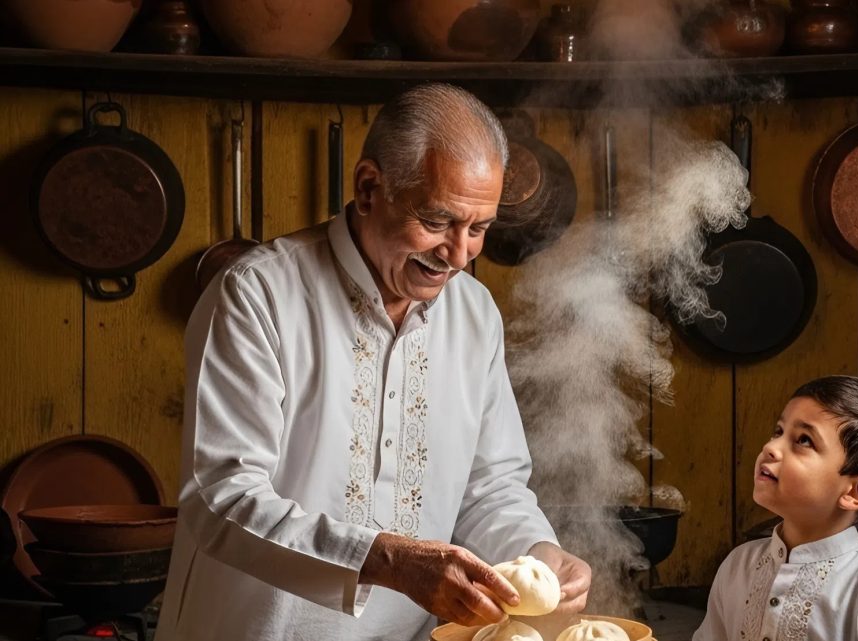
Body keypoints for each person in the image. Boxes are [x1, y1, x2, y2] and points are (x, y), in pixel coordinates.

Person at [155, 83, 590, 641]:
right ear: (368, 188)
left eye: (478, 228)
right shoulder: (256, 294)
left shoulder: (475, 313)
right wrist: (388, 561)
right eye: (437, 221)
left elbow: (490, 487)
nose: (459, 255)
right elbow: (223, 497)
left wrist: (539, 551)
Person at [693, 375, 858, 641]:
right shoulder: (738, 565)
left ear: (856, 492)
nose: (770, 447)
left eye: (804, 440)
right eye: (778, 431)